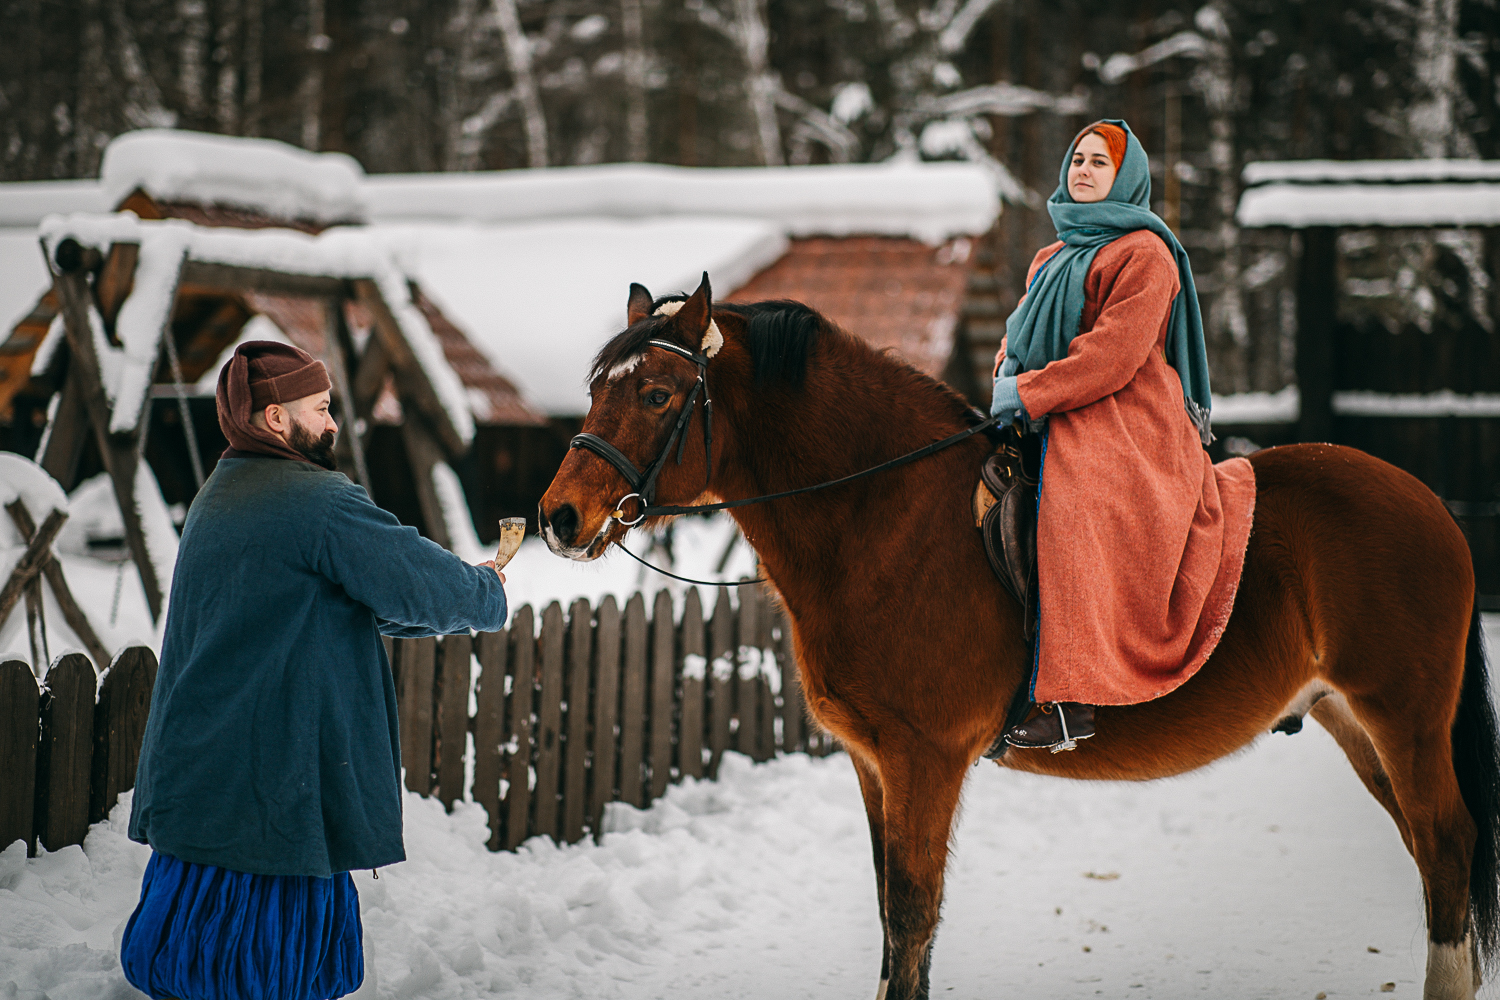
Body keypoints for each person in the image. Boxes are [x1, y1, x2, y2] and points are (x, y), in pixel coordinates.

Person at [121, 341, 509, 999]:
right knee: (270, 978)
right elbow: (414, 579)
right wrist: (483, 589)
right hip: (273, 782)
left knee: (193, 969)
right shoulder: (315, 499)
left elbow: (340, 600)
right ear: (276, 419)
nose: (333, 425)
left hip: (207, 776)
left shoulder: (220, 494)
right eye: (321, 408)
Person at [991, 120, 1255, 751]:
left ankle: (1069, 699)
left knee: (1077, 497)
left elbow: (1113, 355)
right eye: (1076, 159)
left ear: (1125, 177)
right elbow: (1020, 330)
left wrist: (1027, 392)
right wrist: (1007, 369)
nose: (1082, 170)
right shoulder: (1050, 257)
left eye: (1098, 163)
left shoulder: (1145, 252)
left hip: (1126, 412)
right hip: (1053, 401)